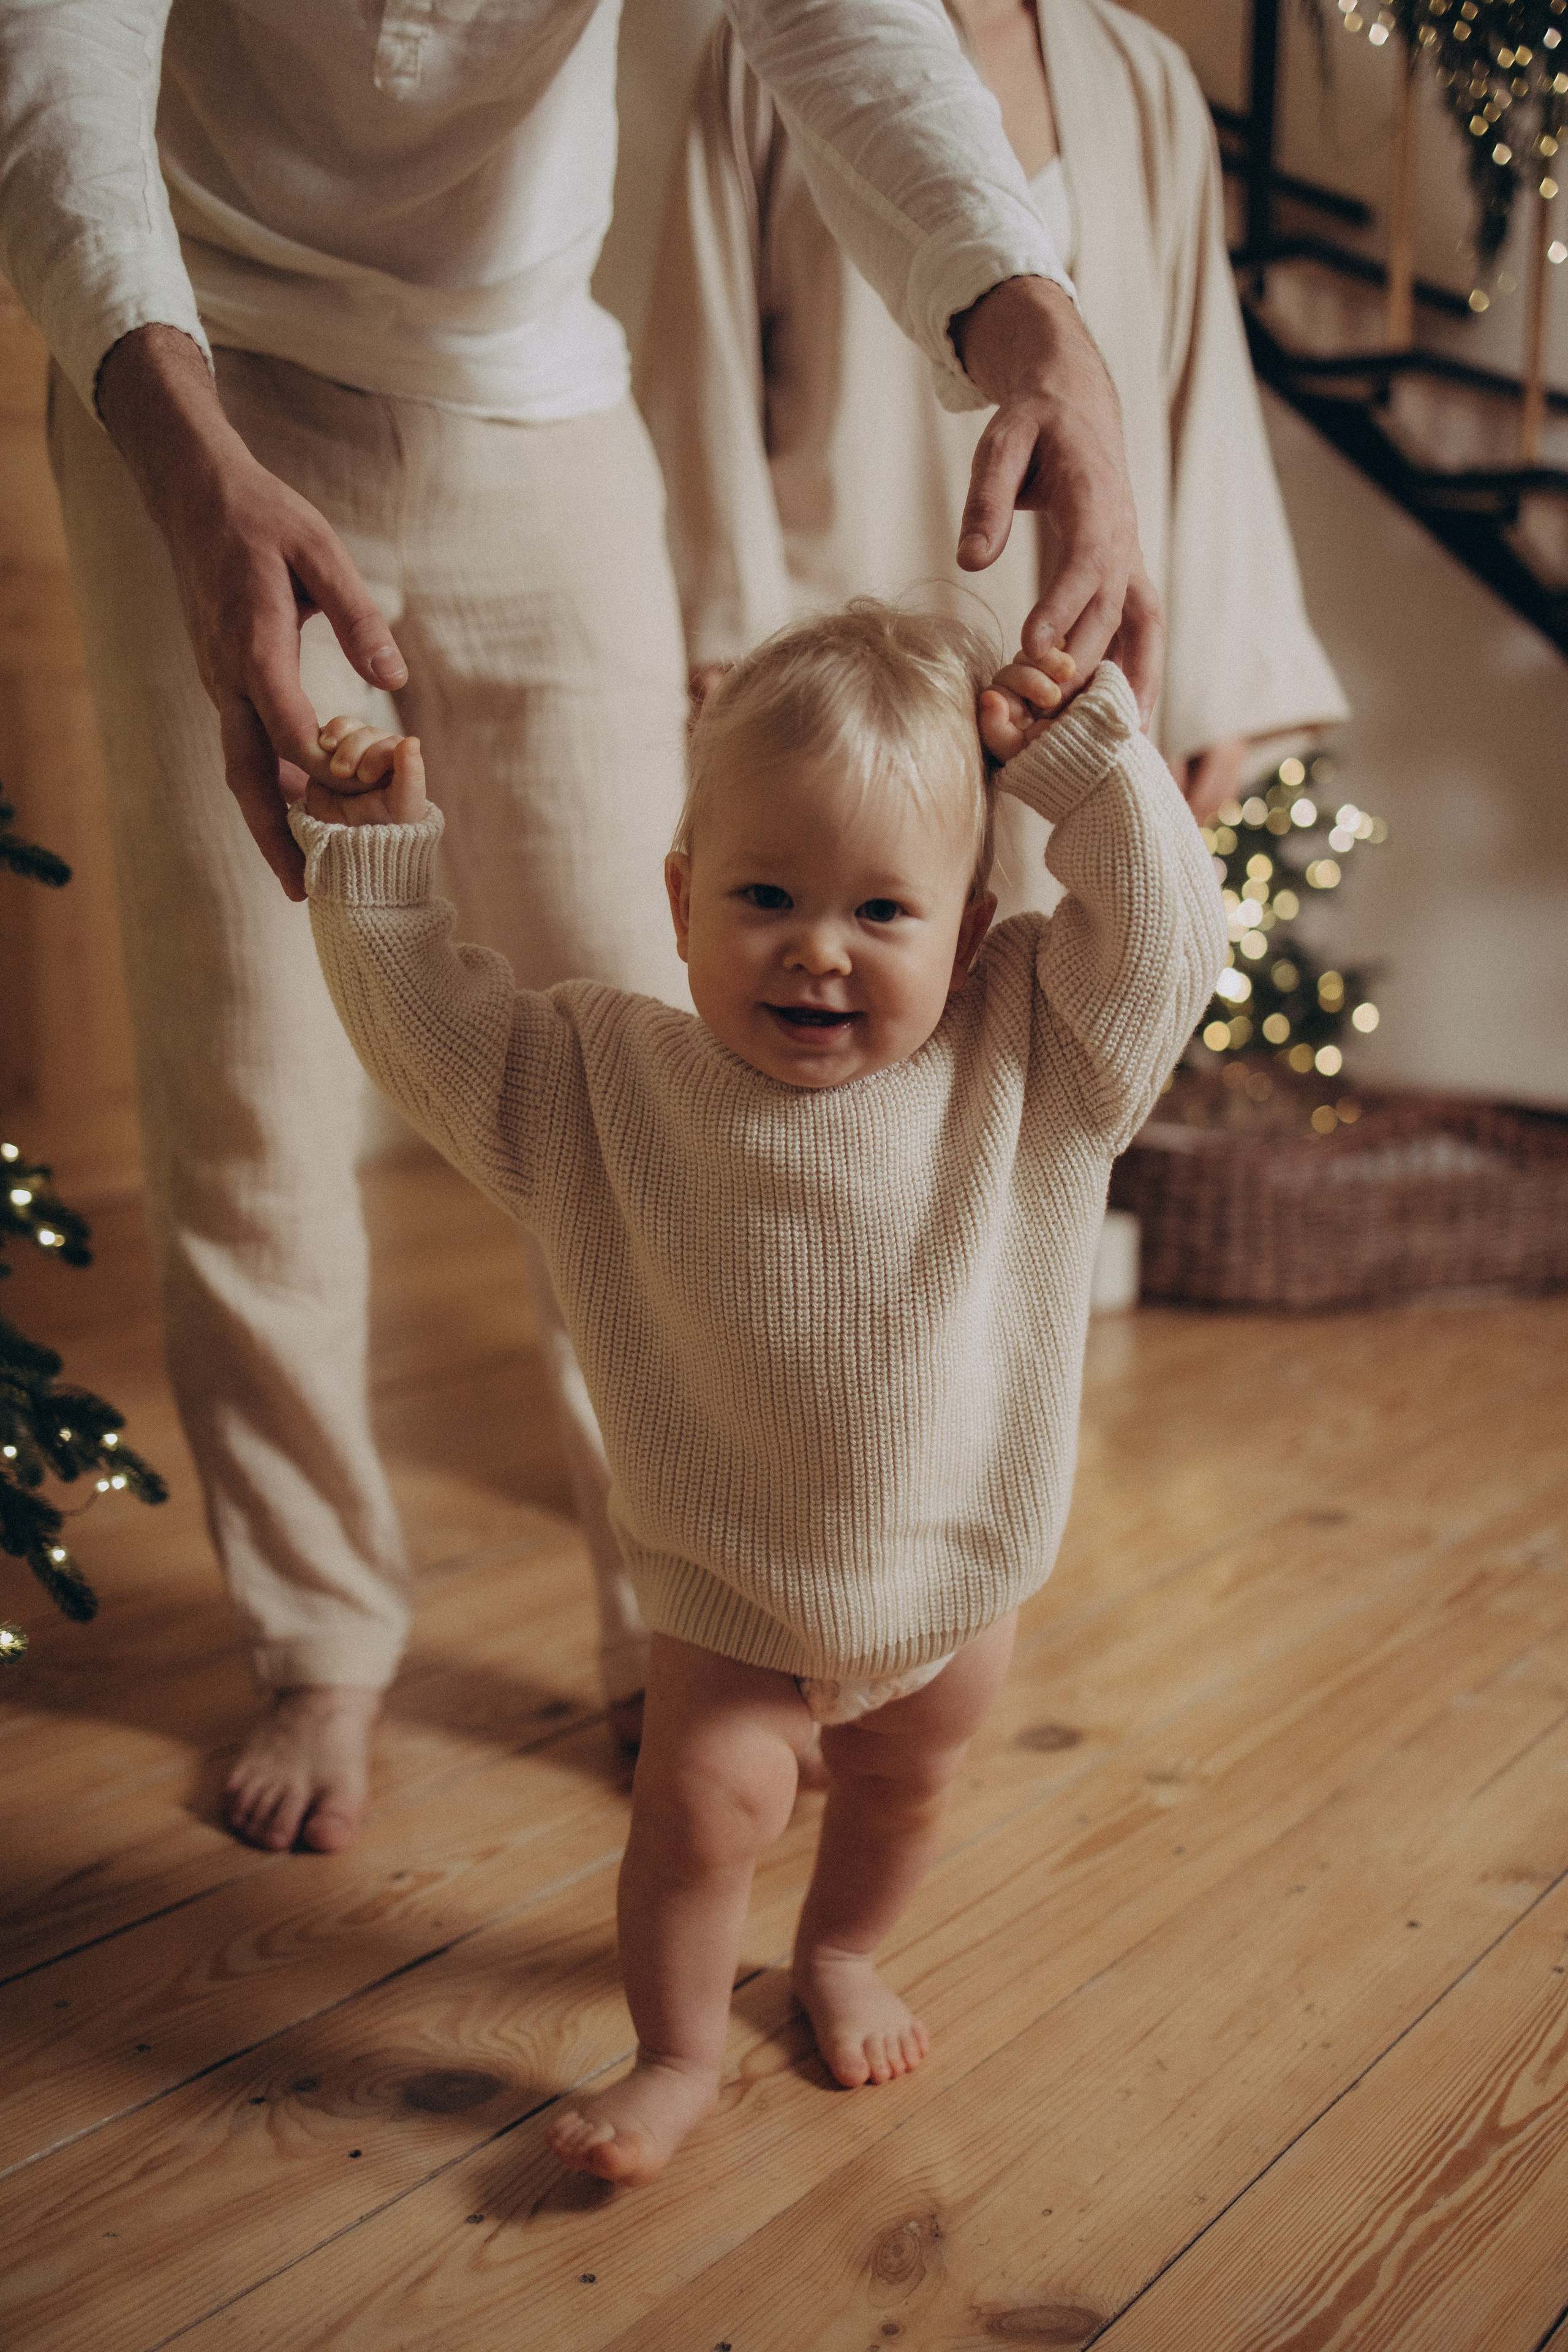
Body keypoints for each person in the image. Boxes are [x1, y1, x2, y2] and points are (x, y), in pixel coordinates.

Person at [0, 0, 1164, 1856]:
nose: (824, 934)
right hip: (195, 398)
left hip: (540, 413)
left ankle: (687, 1620)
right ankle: (318, 1639)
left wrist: (1040, 320)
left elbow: (843, 28)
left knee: (660, 1054)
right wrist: (175, 439)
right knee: (243, 1085)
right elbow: (49, 66)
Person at [282, 599, 1226, 2181]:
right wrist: (379, 872)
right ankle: (672, 2054)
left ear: (973, 923)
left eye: (881, 911)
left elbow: (1171, 951)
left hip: (955, 1572)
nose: (817, 947)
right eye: (766, 895)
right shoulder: (603, 1081)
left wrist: (1089, 761)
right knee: (700, 1815)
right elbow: (436, 1045)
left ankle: (841, 1953)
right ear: (679, 899)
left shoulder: (1030, 1056)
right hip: (727, 1585)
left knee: (901, 1789)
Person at [637, 0, 1346, 876]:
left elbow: (1196, 374)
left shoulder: (1144, 79)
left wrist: (1206, 683)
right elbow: (703, 333)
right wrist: (727, 634)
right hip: (837, 610)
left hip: (1063, 640)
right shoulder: (775, 46)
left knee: (1033, 968)